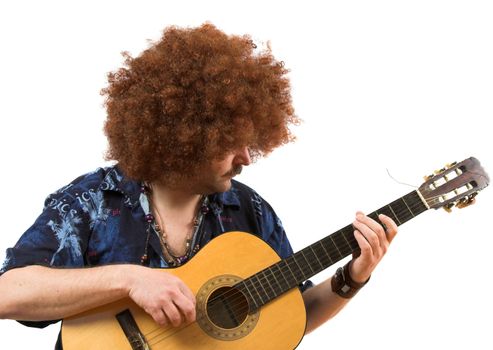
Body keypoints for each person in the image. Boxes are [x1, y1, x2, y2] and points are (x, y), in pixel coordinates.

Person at [0, 23, 398, 349]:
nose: (246, 157)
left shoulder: (248, 210)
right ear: (183, 138)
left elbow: (292, 314)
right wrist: (130, 279)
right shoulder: (93, 201)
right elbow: (9, 293)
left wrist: (353, 276)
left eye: (251, 138)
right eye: (230, 143)